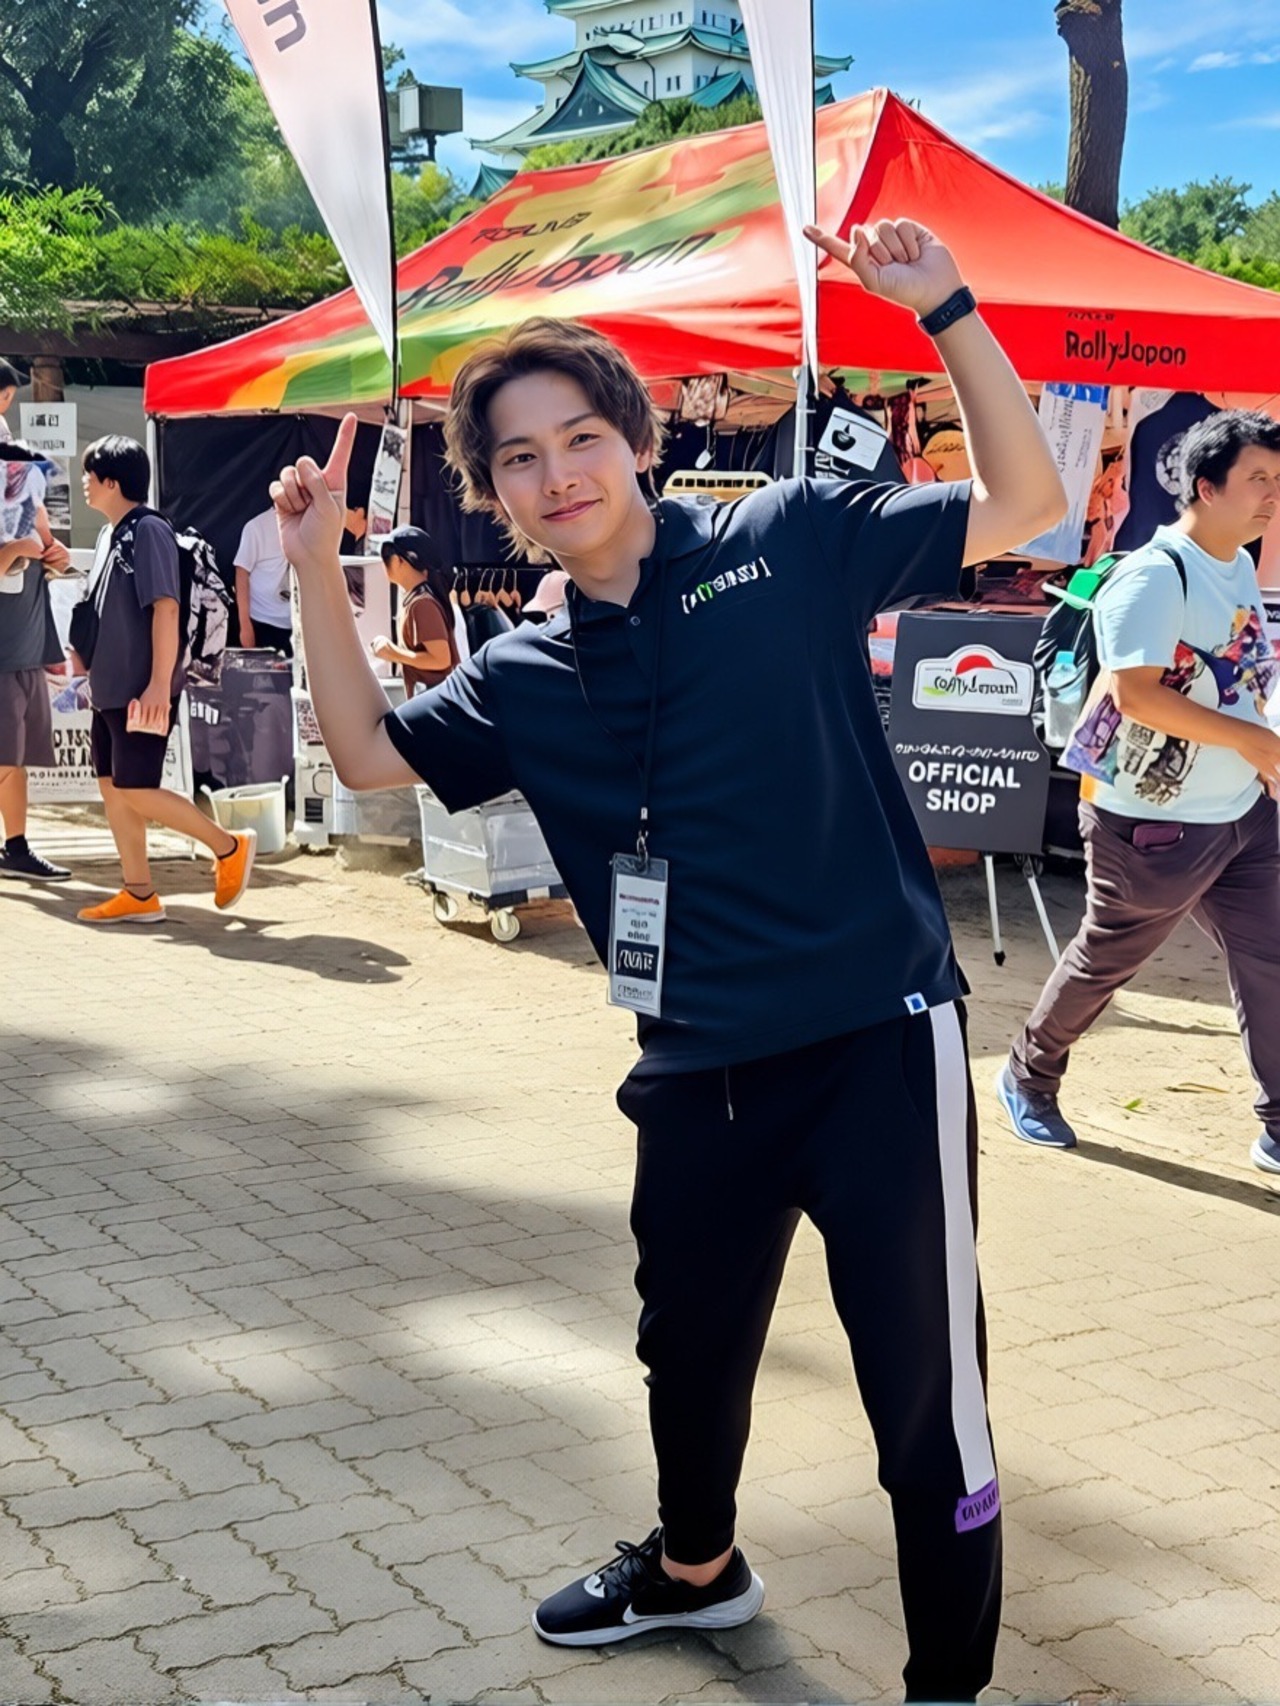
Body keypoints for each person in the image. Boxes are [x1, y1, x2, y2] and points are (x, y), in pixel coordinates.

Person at [272, 219, 1066, 1704]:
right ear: (494, 491)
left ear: (637, 443)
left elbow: (1032, 500)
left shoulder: (787, 540)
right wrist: (318, 567)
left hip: (876, 1040)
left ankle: (947, 1684)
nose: (558, 473)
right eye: (520, 457)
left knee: (923, 1393)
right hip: (694, 1064)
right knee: (685, 1351)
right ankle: (697, 1571)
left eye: (582, 437)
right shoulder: (524, 669)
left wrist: (946, 307)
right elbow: (369, 754)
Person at [1000, 409, 1280, 1173]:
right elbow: (1135, 695)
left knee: (1271, 961)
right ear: (1206, 487)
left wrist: (1261, 738)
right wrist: (1257, 743)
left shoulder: (1237, 562)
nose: (1272, 496)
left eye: (1277, 481)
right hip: (1152, 821)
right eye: (1258, 479)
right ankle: (1026, 1075)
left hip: (1242, 812)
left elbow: (1240, 668)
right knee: (1105, 961)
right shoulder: (1156, 574)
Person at [75, 435, 256, 924]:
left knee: (136, 788)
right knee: (114, 788)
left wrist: (159, 684)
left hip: (141, 690)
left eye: (90, 474)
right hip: (109, 691)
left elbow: (166, 607)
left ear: (112, 482)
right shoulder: (110, 534)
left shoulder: (149, 529)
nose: (84, 483)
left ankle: (228, 846)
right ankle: (138, 892)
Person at [0, 443, 74, 881]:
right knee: (6, 761)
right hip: (4, 659)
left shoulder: (30, 510)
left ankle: (16, 848)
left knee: (15, 761)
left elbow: (51, 558)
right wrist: (15, 549)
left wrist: (55, 558)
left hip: (27, 653)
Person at [370, 526, 459, 694]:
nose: (383, 564)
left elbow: (441, 659)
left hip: (435, 703)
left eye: (386, 557)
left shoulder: (422, 604)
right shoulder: (416, 599)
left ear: (399, 561)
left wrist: (393, 653)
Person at [234, 506, 294, 654]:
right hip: (262, 622)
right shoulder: (256, 527)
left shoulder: (314, 522)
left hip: (300, 624)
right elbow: (241, 573)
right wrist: (245, 626)